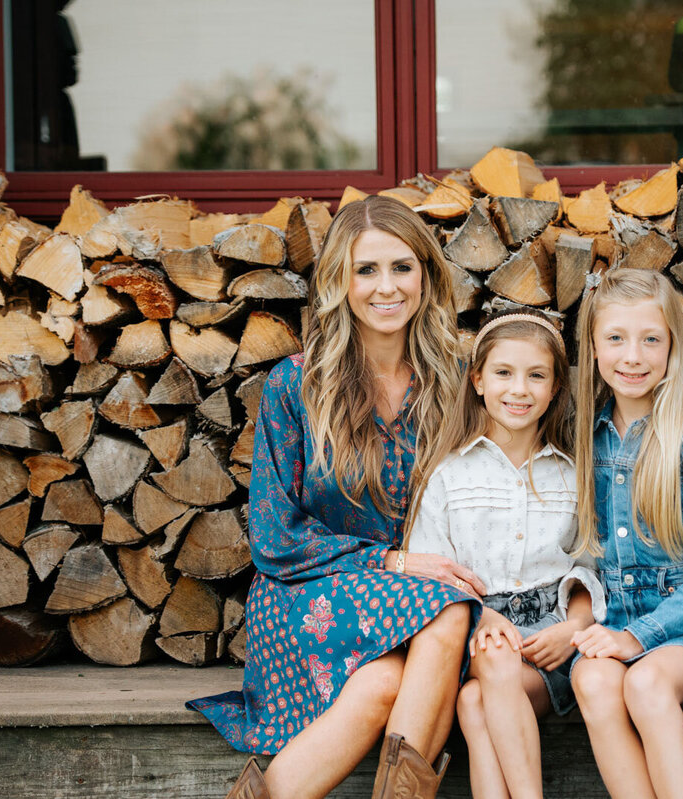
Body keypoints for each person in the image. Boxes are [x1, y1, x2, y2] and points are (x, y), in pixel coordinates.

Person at [188, 196, 484, 799]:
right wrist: (394, 561)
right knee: (449, 607)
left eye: (402, 267)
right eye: (365, 270)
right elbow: (276, 539)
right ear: (339, 282)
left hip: (417, 604)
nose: (386, 288)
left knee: (381, 684)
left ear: (426, 275)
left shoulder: (459, 380)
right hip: (308, 592)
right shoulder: (296, 384)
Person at [403, 311, 606, 799]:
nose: (520, 389)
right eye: (503, 373)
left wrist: (574, 627)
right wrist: (480, 615)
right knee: (493, 659)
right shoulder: (448, 474)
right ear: (477, 380)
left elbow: (589, 566)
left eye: (537, 375)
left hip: (550, 644)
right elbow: (429, 574)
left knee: (474, 704)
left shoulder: (572, 474)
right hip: (479, 636)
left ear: (556, 387)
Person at [570, 268, 683, 799]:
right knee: (593, 680)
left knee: (646, 684)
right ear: (594, 346)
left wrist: (637, 638)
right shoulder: (585, 434)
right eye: (616, 339)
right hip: (613, 622)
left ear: (673, 344)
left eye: (651, 339)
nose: (633, 357)